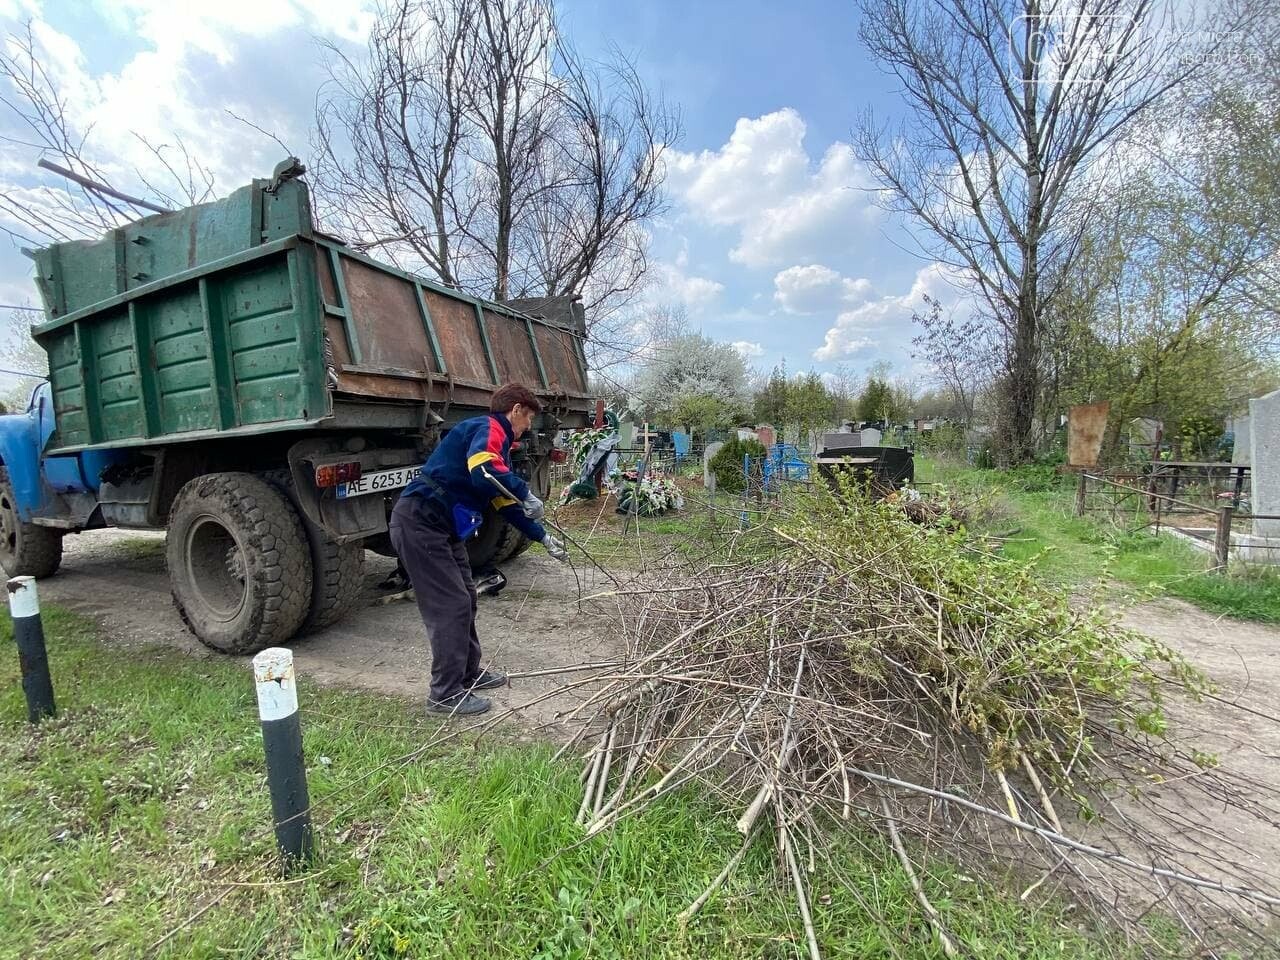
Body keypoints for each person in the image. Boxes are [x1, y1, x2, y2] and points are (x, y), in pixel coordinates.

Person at [390, 384, 569, 716]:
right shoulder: (488, 429)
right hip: (420, 523)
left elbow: (501, 499)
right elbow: (483, 470)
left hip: (442, 528)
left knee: (466, 598)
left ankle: (468, 674)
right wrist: (524, 491)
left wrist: (540, 536)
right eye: (528, 416)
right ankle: (444, 694)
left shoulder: (496, 445)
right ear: (515, 409)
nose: (528, 425)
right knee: (451, 604)